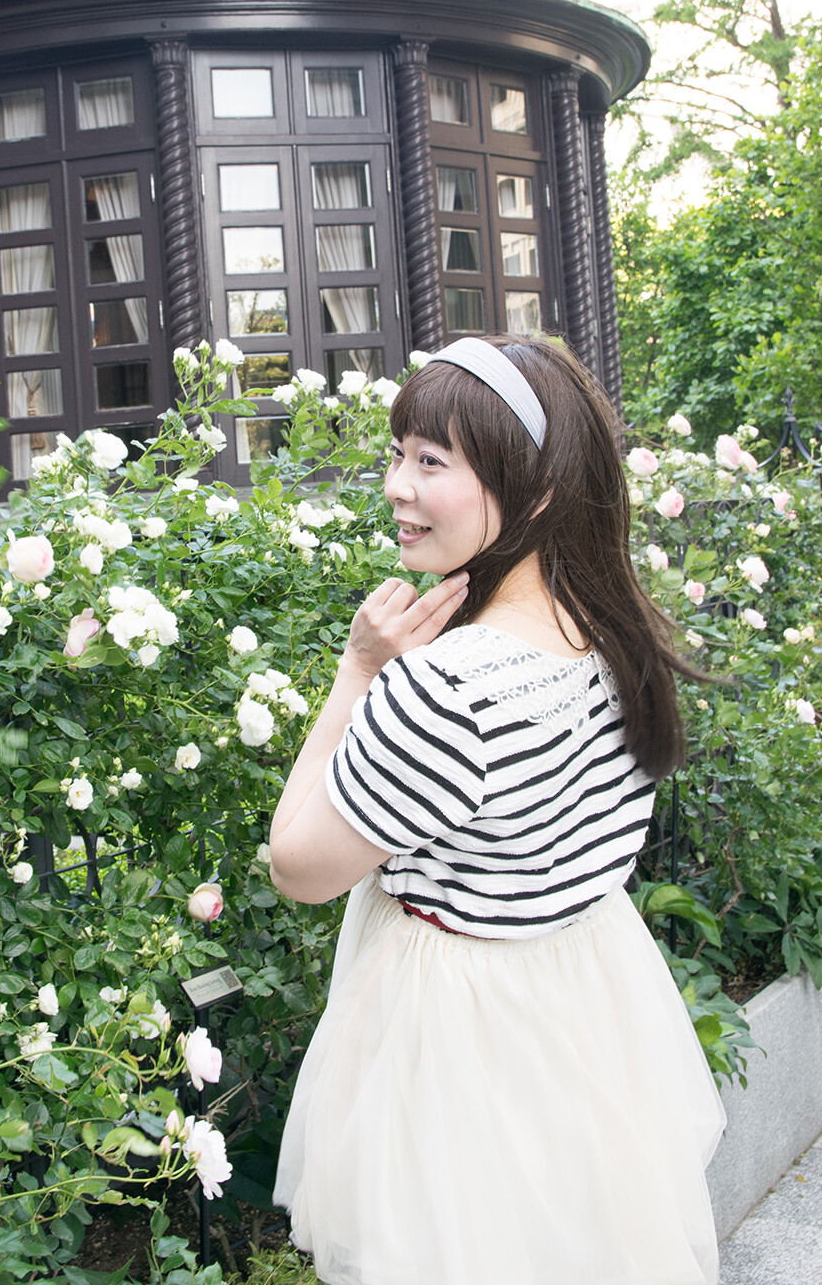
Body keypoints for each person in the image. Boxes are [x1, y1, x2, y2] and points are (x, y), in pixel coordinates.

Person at [269, 334, 725, 1285]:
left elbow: (299, 868)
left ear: (538, 490)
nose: (396, 486)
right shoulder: (609, 633)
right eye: (397, 453)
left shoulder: (446, 686)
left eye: (431, 462)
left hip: (456, 1044)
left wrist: (358, 672)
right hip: (581, 1009)